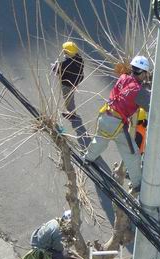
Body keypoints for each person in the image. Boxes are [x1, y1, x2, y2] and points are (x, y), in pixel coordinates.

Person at [85, 56, 151, 192]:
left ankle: (87, 158)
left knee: (100, 141)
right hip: (117, 125)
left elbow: (128, 90)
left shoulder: (123, 77)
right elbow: (150, 105)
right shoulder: (139, 91)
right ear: (143, 73)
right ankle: (137, 184)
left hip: (105, 115)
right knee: (132, 154)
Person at [51, 41, 84, 119]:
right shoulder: (79, 58)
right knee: (70, 96)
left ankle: (71, 113)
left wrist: (55, 66)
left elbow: (56, 70)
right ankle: (71, 112)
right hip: (76, 80)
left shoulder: (65, 64)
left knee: (68, 98)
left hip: (67, 83)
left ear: (66, 52)